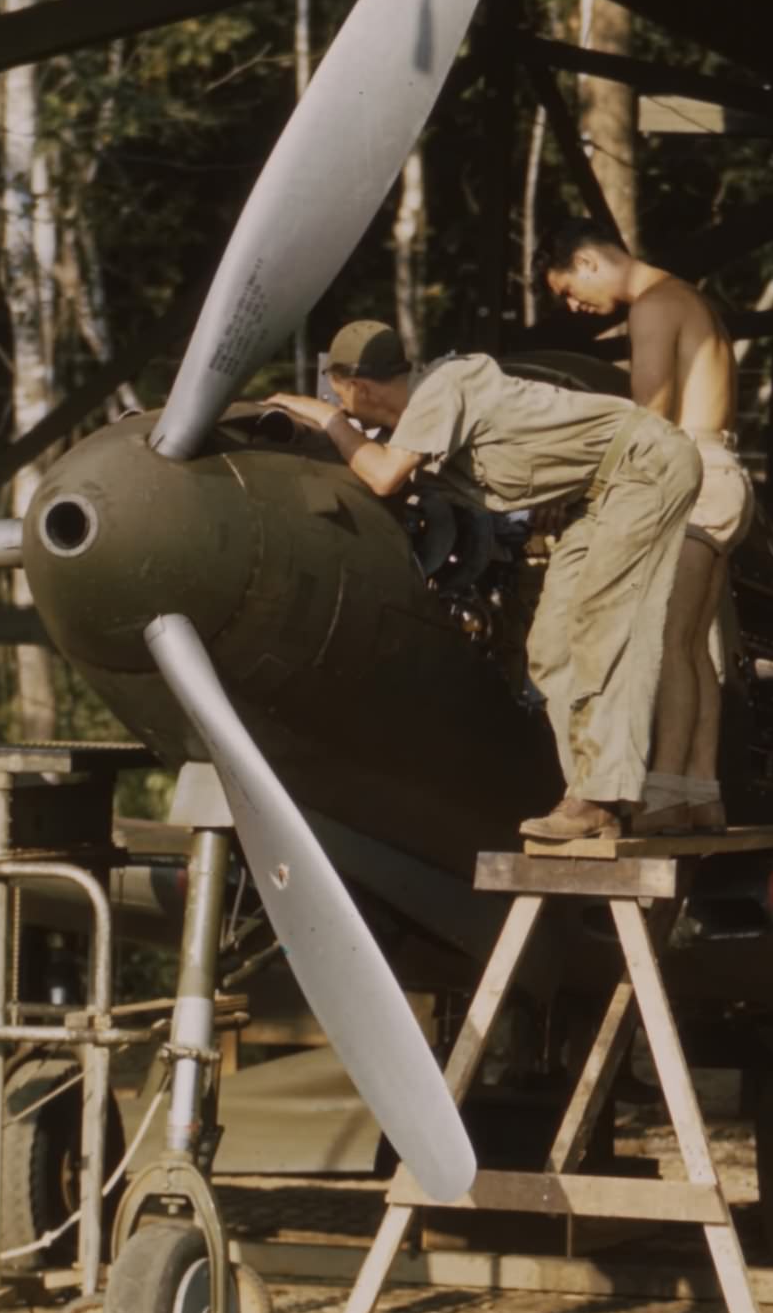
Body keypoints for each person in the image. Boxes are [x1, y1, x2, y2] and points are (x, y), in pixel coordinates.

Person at [252, 316, 701, 852]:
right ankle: (589, 797)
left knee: (601, 627)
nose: (341, 404)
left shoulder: (444, 387)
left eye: (339, 394)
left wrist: (326, 419)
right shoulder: (422, 424)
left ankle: (602, 796)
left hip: (645, 467)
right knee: (552, 644)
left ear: (357, 387)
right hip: (599, 490)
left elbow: (383, 476)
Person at [546, 230, 747, 830]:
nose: (572, 307)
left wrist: (582, 491)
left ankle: (662, 797)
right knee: (693, 648)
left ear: (587, 261)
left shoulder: (655, 305)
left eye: (569, 290)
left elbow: (649, 420)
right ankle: (701, 792)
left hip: (691, 477)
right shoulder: (692, 299)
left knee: (664, 644)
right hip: (723, 473)